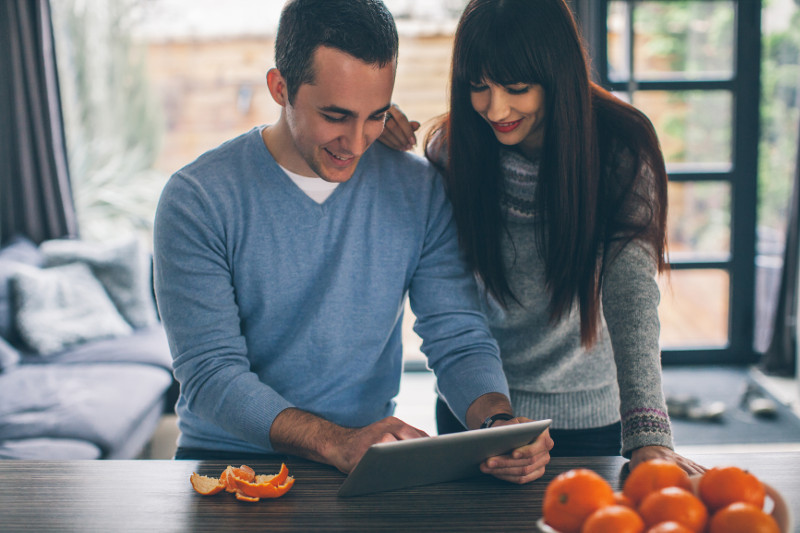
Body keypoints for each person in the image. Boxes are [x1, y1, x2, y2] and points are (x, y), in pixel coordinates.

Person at [153, 0, 552, 483]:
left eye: (376, 116)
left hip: (359, 468)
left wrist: (497, 425)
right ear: (280, 88)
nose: (358, 142)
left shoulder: (419, 189)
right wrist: (334, 441)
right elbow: (211, 374)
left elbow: (458, 336)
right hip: (228, 465)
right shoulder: (197, 199)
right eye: (336, 115)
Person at [379, 0, 703, 474]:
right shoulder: (453, 150)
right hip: (479, 415)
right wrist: (369, 130)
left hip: (593, 417)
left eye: (516, 87)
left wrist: (649, 435)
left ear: (557, 76)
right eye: (478, 86)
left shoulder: (621, 145)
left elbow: (631, 292)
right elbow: (446, 301)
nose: (495, 108)